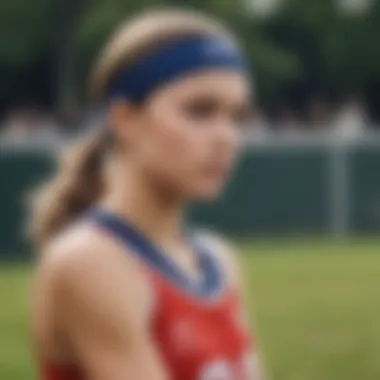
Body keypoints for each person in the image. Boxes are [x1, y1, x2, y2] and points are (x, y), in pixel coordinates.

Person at [31, 9, 262, 380]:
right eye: (200, 111)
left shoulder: (220, 260)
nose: (226, 137)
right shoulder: (89, 264)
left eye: (237, 116)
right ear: (124, 119)